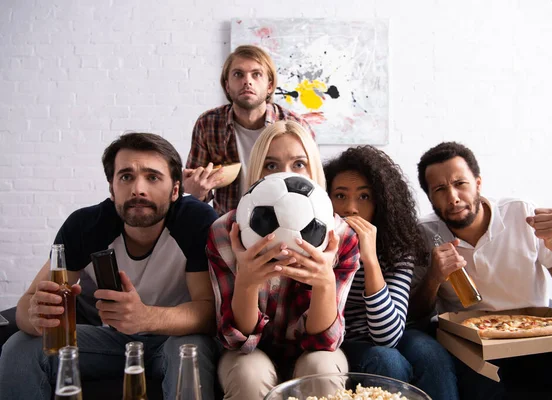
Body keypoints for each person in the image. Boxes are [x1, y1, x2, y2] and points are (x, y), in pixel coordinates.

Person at [0, 133, 220, 400]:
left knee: (189, 350)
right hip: (114, 342)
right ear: (112, 188)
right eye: (126, 176)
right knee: (21, 346)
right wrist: (35, 316)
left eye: (152, 177)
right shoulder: (85, 226)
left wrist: (145, 317)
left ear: (175, 190)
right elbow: (26, 306)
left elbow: (209, 311)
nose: (138, 189)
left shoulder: (195, 221)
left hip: (178, 338)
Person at [412, 141, 552, 399]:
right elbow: (416, 314)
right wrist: (433, 277)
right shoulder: (424, 233)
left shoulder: (521, 213)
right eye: (440, 189)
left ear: (478, 183)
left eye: (460, 184)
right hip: (473, 347)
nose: (453, 197)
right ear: (430, 197)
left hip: (535, 341)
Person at [207, 121, 360, 400]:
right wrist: (247, 281)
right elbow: (236, 339)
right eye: (271, 165)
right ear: (256, 172)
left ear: (314, 171)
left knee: (322, 370)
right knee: (248, 374)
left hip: (312, 352)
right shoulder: (224, 232)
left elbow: (324, 342)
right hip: (251, 354)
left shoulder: (342, 236)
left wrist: (325, 282)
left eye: (299, 164)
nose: (285, 175)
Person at [324, 146, 458, 400]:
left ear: (381, 202)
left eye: (364, 197)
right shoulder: (317, 244)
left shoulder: (397, 245)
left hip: (393, 330)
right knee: (385, 360)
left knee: (431, 355)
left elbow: (388, 334)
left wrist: (370, 258)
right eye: (340, 196)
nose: (351, 208)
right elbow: (383, 346)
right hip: (345, 340)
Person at [185, 45, 315, 216]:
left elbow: (313, 185)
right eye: (238, 74)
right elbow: (197, 188)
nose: (247, 81)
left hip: (284, 220)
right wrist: (196, 190)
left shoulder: (296, 126)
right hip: (228, 223)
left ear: (269, 85)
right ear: (227, 86)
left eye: (256, 74)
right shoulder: (208, 124)